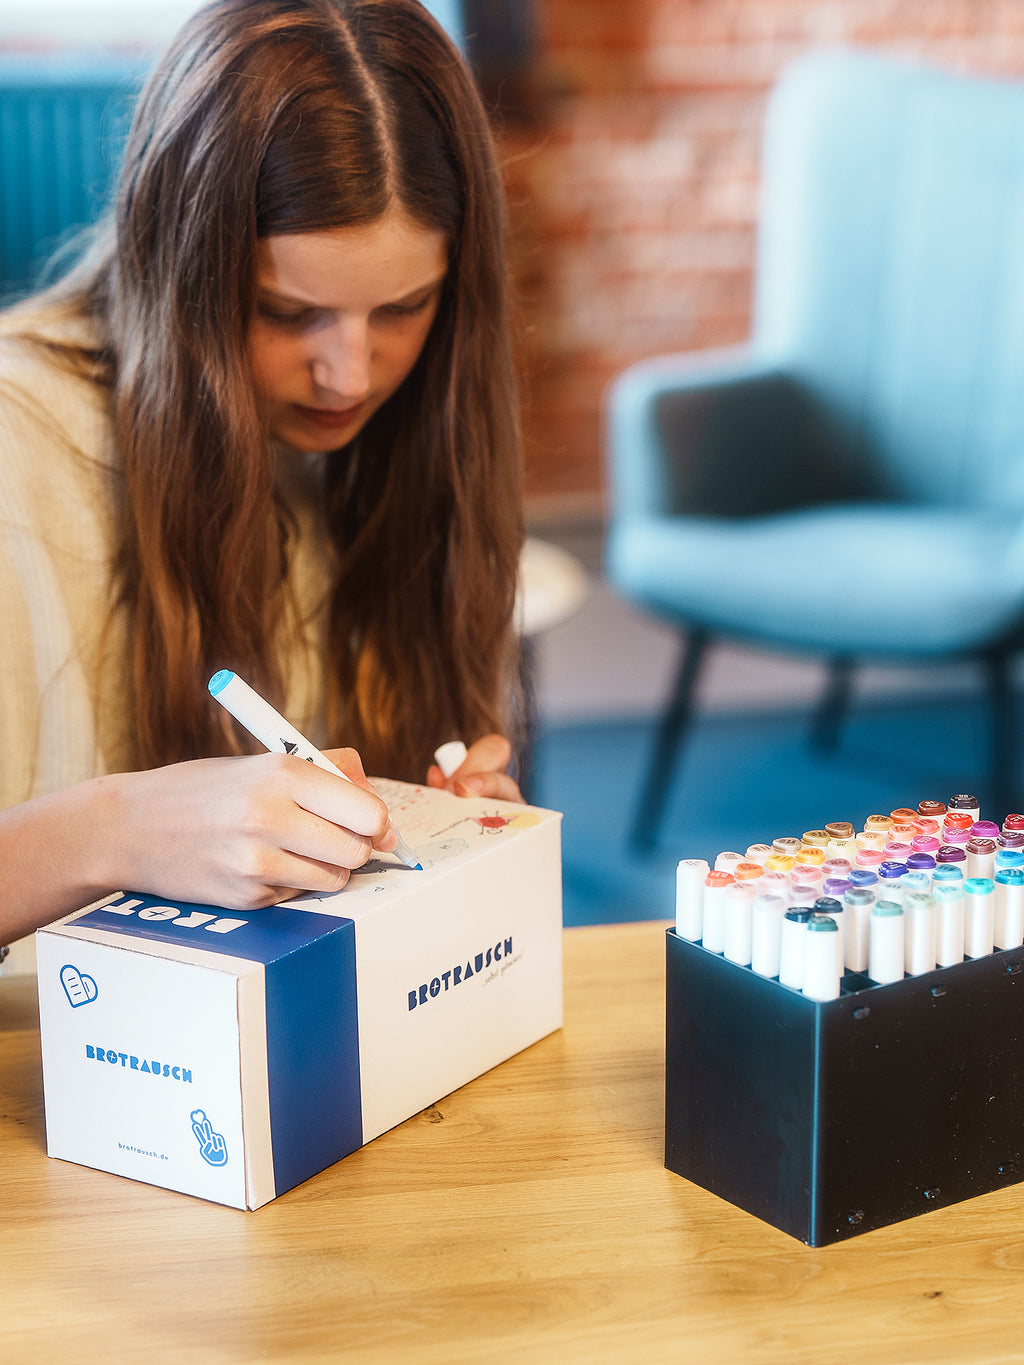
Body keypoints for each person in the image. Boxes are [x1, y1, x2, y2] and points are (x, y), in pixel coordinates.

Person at [0, 0, 525, 960]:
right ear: (180, 271)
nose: (351, 376)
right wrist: (115, 830)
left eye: (404, 307)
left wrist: (428, 827)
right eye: (286, 312)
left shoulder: (406, 440)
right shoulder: (17, 445)